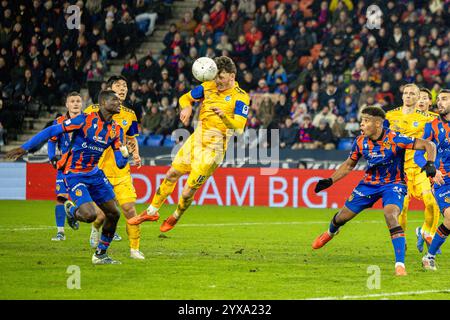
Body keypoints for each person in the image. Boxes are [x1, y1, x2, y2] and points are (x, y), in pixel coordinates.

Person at [128, 56, 250, 232]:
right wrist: (187, 107)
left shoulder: (240, 97)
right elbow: (184, 98)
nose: (217, 81)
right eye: (215, 77)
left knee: (187, 192)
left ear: (232, 76)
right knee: (171, 174)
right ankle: (152, 211)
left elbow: (239, 128)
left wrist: (224, 117)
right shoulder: (208, 86)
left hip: (213, 151)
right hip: (196, 140)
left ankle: (176, 215)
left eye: (221, 77)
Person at [6, 90, 129, 265]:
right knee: (89, 216)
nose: (119, 103)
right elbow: (51, 131)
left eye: (119, 100)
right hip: (75, 174)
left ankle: (100, 255)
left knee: (114, 213)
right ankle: (71, 210)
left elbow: (120, 164)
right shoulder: (85, 120)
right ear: (103, 103)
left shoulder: (117, 130)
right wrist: (25, 148)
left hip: (95, 174)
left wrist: (125, 155)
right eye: (114, 100)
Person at [312, 107, 437, 276]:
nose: (361, 124)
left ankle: (400, 264)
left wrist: (430, 164)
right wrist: (330, 180)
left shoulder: (395, 138)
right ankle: (330, 232)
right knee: (342, 217)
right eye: (361, 121)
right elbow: (349, 164)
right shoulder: (360, 141)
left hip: (393, 184)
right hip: (368, 185)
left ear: (378, 123)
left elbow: (429, 144)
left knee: (390, 215)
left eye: (366, 121)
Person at [84, 76, 144, 260]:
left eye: (125, 85)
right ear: (109, 90)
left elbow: (132, 139)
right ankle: (95, 229)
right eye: (118, 85)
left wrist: (135, 154)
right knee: (101, 216)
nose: (123, 88)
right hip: (98, 171)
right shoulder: (92, 111)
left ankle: (134, 249)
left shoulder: (129, 115)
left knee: (129, 209)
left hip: (121, 171)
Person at [385, 84, 440, 252]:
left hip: (420, 167)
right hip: (400, 170)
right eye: (406, 93)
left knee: (431, 202)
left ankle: (426, 232)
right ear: (402, 96)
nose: (409, 97)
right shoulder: (390, 115)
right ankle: (401, 238)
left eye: (414, 94)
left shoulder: (430, 118)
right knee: (402, 208)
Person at [416, 89, 450, 271]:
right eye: (439, 100)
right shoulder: (432, 126)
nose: (440, 103)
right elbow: (418, 156)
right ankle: (429, 257)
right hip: (443, 180)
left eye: (444, 99)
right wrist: (432, 170)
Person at [47, 92, 82, 241]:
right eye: (72, 101)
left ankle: (73, 212)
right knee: (61, 198)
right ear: (67, 105)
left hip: (83, 166)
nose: (75, 104)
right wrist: (51, 157)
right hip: (65, 166)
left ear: (82, 104)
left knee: (92, 200)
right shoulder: (59, 122)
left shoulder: (87, 121)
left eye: (78, 101)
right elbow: (51, 140)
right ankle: (60, 232)